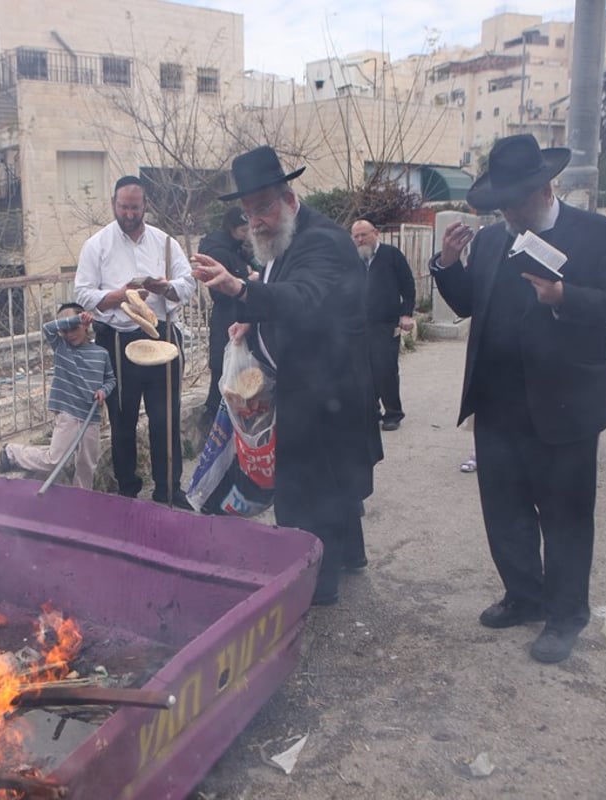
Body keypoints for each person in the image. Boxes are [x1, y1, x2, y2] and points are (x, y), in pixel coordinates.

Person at [431, 134, 606, 663]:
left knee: (566, 516)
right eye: (501, 203)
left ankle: (566, 613)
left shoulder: (598, 234)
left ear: (546, 188)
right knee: (504, 512)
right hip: (498, 401)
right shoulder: (491, 240)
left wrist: (564, 297)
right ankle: (524, 597)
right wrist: (448, 263)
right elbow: (466, 305)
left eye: (516, 201)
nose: (508, 212)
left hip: (567, 403)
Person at [191, 146, 383, 606]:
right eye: (248, 211)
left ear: (289, 199)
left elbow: (303, 298)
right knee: (332, 484)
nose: (256, 220)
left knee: (308, 491)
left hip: (324, 391)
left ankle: (316, 586)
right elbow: (285, 298)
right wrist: (252, 321)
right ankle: (349, 556)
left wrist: (239, 289)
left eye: (263, 207)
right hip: (317, 384)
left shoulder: (319, 241)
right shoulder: (288, 240)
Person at [74, 175, 196, 505]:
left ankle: (168, 488)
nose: (129, 213)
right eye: (124, 207)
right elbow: (82, 294)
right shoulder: (97, 245)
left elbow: (189, 283)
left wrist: (165, 288)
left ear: (145, 207)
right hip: (116, 340)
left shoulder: (165, 242)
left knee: (165, 417)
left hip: (161, 335)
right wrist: (118, 296)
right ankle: (127, 489)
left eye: (135, 208)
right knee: (122, 418)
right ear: (114, 205)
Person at [0, 304, 115, 489]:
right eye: (65, 330)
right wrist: (77, 319)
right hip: (68, 412)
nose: (70, 334)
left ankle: (81, 500)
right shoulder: (62, 348)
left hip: (91, 416)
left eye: (75, 328)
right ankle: (12, 452)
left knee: (87, 464)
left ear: (86, 327)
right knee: (55, 460)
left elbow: (110, 379)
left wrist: (104, 391)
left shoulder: (101, 353)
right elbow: (47, 328)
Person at [352, 218, 416, 431]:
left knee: (385, 369)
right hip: (359, 324)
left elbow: (408, 285)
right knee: (362, 371)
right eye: (356, 236)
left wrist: (406, 314)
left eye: (364, 234)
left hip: (386, 323)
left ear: (375, 233)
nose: (360, 239)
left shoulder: (391, 255)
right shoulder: (352, 259)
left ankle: (393, 413)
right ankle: (371, 412)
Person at [199, 207, 255, 422]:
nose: (247, 234)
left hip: (241, 319)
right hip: (226, 320)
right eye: (243, 230)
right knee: (223, 376)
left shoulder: (238, 248)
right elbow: (220, 291)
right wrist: (248, 281)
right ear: (232, 229)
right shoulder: (219, 251)